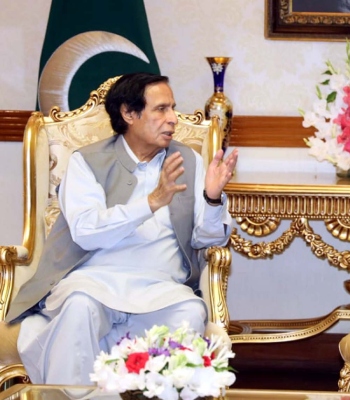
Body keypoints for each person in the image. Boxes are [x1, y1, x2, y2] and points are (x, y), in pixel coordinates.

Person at [6, 72, 238, 385]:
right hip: (93, 281)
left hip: (161, 286)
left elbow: (207, 238)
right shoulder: (86, 162)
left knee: (190, 312)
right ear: (129, 113)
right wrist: (151, 201)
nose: (172, 119)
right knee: (78, 307)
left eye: (173, 108)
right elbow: (86, 230)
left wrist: (212, 198)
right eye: (161, 109)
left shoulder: (188, 160)